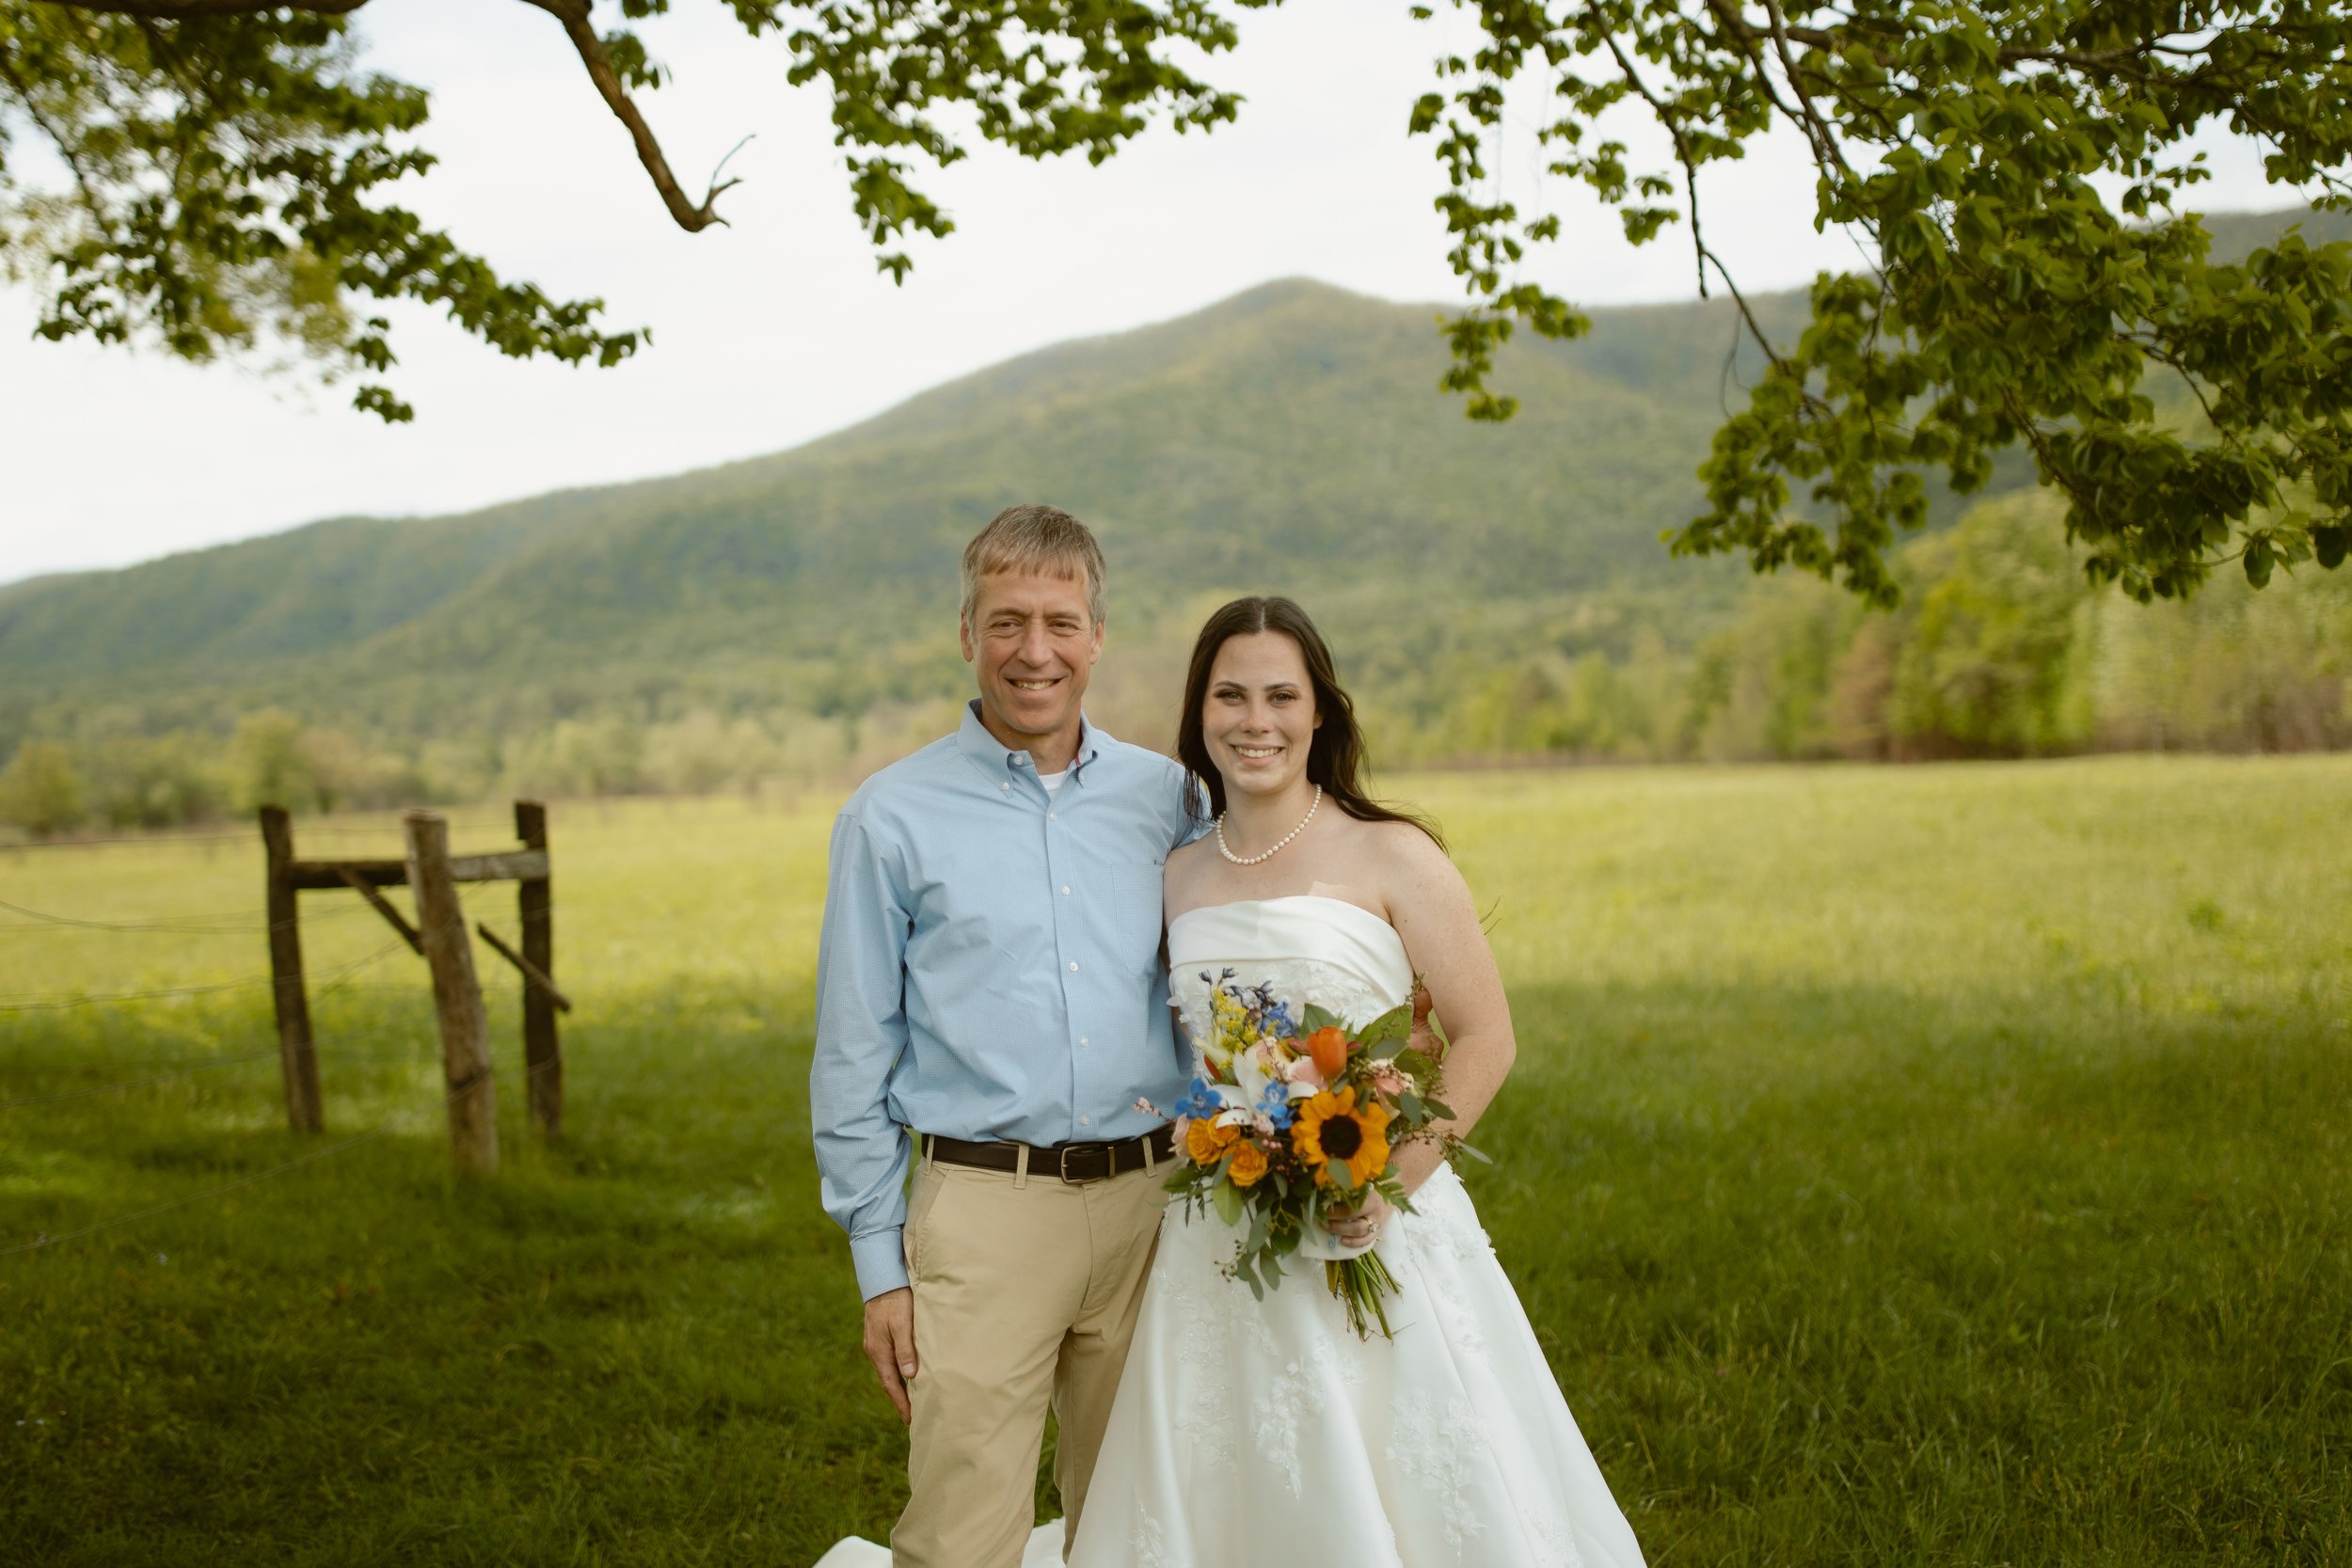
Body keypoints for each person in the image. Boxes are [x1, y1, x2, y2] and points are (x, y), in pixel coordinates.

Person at [1062, 595, 1648, 1567]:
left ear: (1321, 710)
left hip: (1375, 1200)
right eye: (1231, 695)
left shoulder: (1392, 851)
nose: (1257, 720)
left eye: (1282, 695)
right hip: (1223, 1224)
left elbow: (1484, 1036)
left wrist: (1387, 1185)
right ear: (1199, 712)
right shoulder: (1175, 873)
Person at [810, 506, 1198, 1568]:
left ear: (1098, 634)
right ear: (967, 633)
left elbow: (1228, 974)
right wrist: (876, 1263)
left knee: (1140, 1517)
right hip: (984, 1209)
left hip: (1154, 1204)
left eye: (1061, 621)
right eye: (1008, 620)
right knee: (961, 1528)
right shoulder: (889, 816)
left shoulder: (1170, 798)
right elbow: (851, 1048)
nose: (1036, 650)